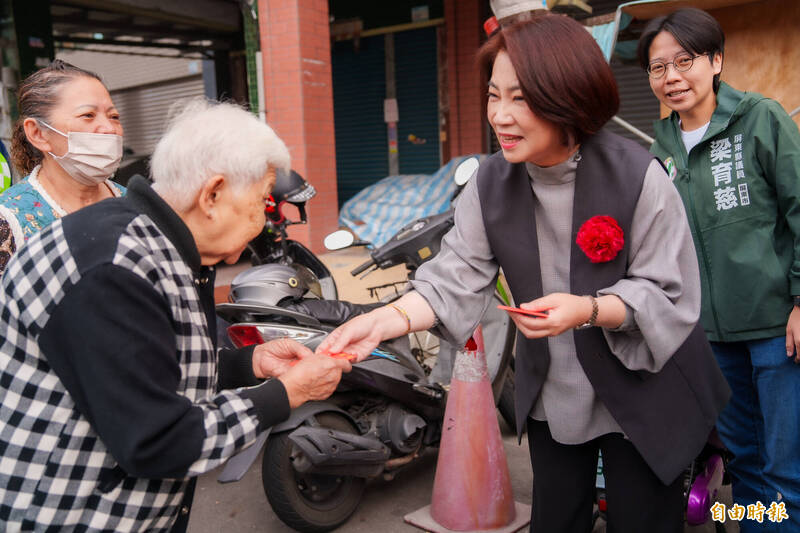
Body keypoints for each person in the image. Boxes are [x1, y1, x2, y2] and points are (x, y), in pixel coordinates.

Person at [318, 14, 730, 533]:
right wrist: (382, 321)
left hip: (645, 391)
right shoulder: (489, 184)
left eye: (522, 98)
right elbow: (453, 276)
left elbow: (667, 293)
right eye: (494, 95)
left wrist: (588, 308)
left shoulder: (638, 176)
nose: (501, 116)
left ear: (569, 97)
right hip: (556, 397)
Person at [0, 98, 351, 532]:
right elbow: (157, 440)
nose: (263, 221)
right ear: (213, 194)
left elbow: (145, 366)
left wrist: (249, 364)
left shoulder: (155, 245)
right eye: (262, 201)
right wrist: (284, 394)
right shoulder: (112, 269)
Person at [638, 8, 800, 530]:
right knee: (743, 465)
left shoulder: (761, 118)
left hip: (778, 330)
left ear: (715, 61)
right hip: (709, 337)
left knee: (786, 470)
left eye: (685, 61)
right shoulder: (658, 147)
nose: (672, 77)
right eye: (658, 67)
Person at [0, 59, 126, 275]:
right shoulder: (11, 220)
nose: (109, 128)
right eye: (88, 115)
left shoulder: (136, 204)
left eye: (114, 116)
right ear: (38, 133)